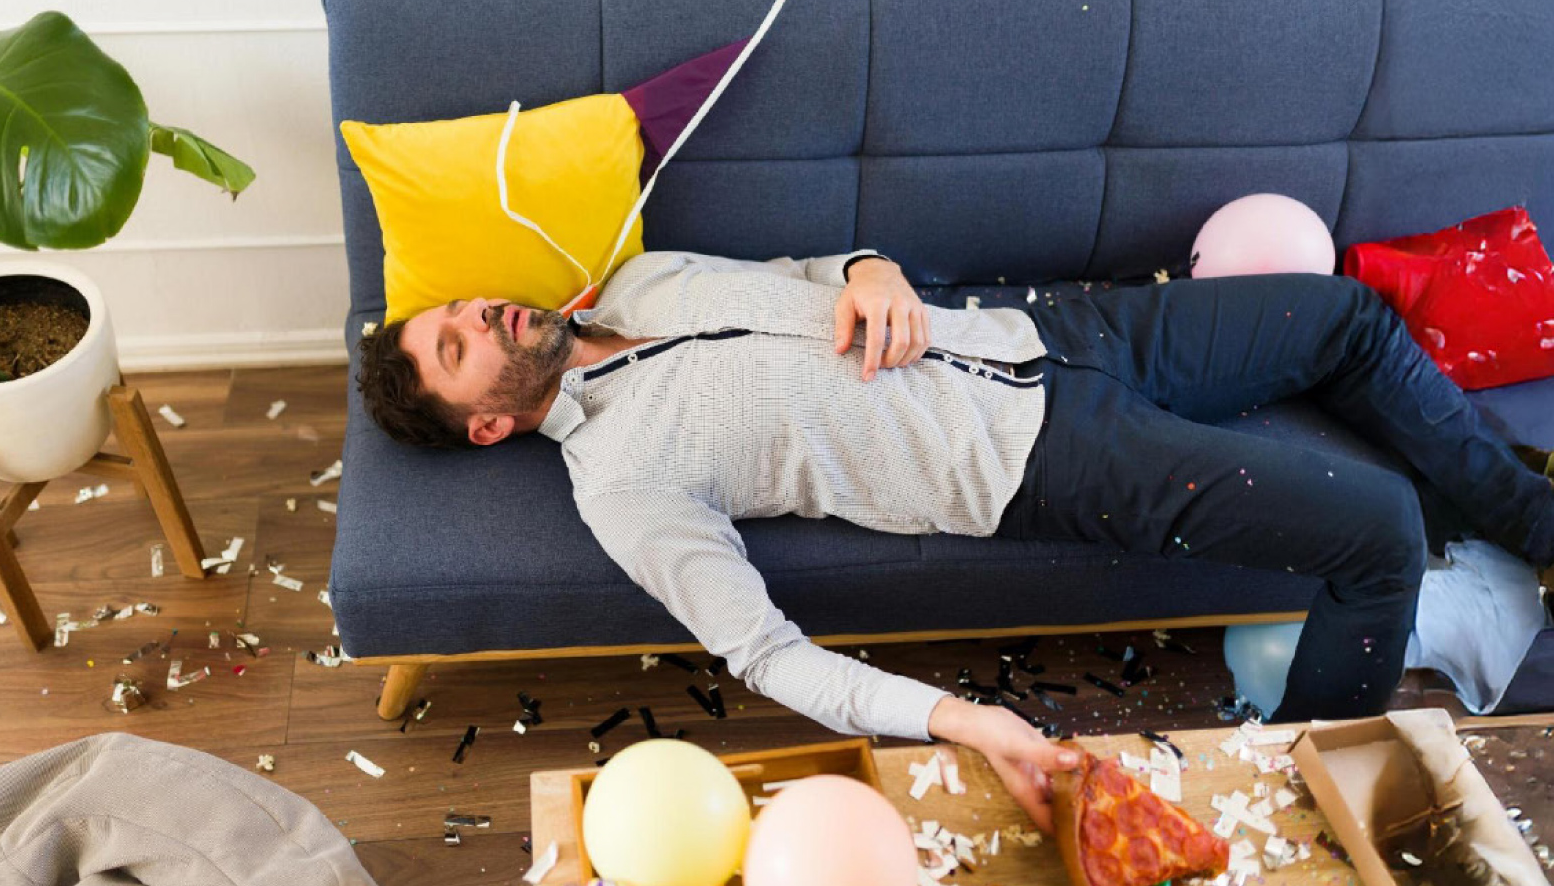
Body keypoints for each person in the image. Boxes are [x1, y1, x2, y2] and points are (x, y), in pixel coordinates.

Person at [353, 250, 1554, 829]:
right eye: (457, 344)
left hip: (1059, 330)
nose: (483, 313)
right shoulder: (622, 484)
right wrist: (963, 718)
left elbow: (810, 270)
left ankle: (1533, 522)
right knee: (1378, 531)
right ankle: (1297, 794)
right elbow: (764, 657)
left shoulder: (642, 278)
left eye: (459, 307)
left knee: (1341, 314)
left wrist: (867, 267)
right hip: (1050, 461)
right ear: (487, 423)